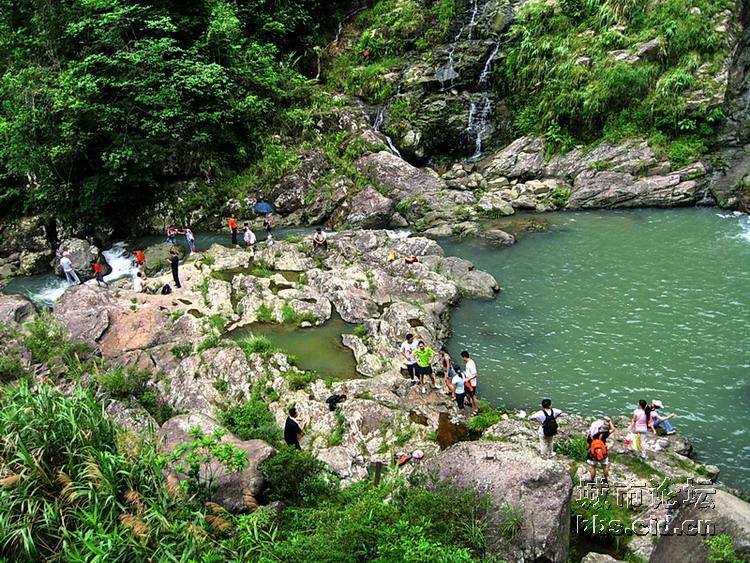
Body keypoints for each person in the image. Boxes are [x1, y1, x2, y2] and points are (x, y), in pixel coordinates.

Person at [587, 416, 616, 484]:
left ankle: (592, 480)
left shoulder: (591, 436)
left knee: (593, 467)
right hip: (603, 453)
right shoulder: (605, 434)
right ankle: (605, 479)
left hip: (593, 454)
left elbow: (587, 446)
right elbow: (613, 429)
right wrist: (609, 422)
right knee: (604, 466)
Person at [461, 351, 478, 415]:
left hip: (472, 383)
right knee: (467, 393)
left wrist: (468, 378)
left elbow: (475, 374)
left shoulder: (471, 364)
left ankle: (476, 409)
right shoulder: (468, 363)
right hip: (467, 382)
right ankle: (469, 402)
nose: (462, 359)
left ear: (464, 357)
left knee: (473, 396)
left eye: (462, 358)